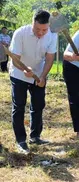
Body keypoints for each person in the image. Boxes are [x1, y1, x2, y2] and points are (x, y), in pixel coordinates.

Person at [8, 10, 57, 153]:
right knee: (19, 105)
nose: (41, 33)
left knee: (38, 104)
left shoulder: (52, 34)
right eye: (37, 29)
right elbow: (15, 58)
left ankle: (35, 136)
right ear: (32, 23)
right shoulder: (20, 33)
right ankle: (21, 140)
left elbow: (49, 58)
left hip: (39, 73)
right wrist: (24, 69)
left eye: (44, 30)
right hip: (19, 73)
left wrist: (42, 76)